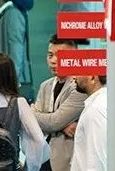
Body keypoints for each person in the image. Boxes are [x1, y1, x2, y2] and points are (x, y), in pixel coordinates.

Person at [32, 35, 87, 171]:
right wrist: (62, 126)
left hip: (65, 162)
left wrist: (31, 113)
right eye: (50, 55)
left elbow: (54, 122)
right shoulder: (45, 86)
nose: (53, 61)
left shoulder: (79, 87)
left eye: (60, 56)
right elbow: (33, 125)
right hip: (42, 158)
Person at [69, 75, 107, 171]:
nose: (74, 77)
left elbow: (96, 161)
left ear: (92, 77)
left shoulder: (96, 109)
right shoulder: (101, 103)